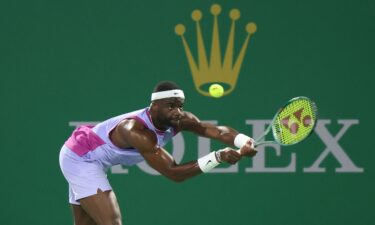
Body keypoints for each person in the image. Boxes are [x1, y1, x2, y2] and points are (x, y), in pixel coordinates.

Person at [59, 81, 257, 225]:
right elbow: (174, 173)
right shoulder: (135, 130)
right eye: (171, 106)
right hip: (80, 158)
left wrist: (242, 140)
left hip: (92, 157)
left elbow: (216, 130)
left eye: (180, 106)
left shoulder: (179, 120)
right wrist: (218, 157)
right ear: (154, 106)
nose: (177, 112)